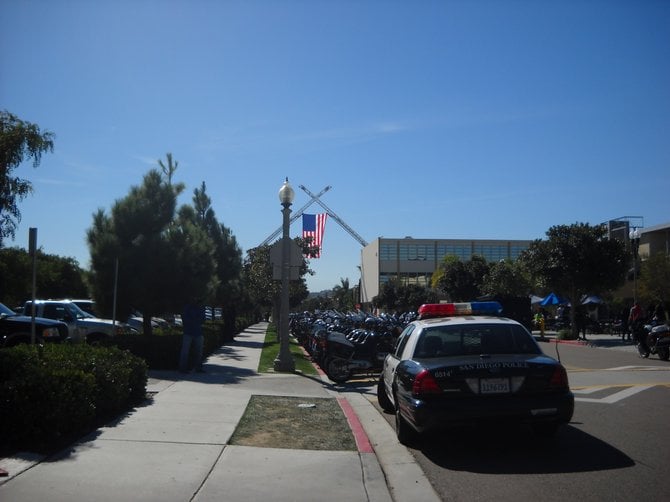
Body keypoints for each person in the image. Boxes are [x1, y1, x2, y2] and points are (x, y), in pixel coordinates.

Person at [179, 302, 207, 373]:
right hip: (189, 332)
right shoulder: (187, 307)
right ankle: (183, 368)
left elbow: (203, 319)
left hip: (197, 332)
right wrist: (196, 319)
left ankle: (198, 368)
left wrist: (194, 319)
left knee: (199, 351)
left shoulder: (201, 307)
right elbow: (185, 318)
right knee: (185, 351)